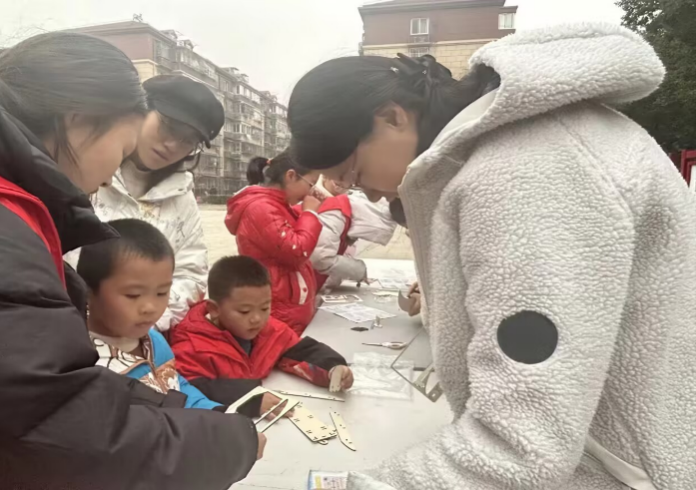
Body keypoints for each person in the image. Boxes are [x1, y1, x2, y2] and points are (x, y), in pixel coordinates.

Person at [286, 24, 696, 490]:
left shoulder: (526, 171)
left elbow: (520, 446)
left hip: (629, 471)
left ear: (392, 118)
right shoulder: (511, 151)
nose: (372, 196)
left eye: (355, 174)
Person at [0, 33, 261, 490]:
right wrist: (224, 445)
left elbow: (44, 391)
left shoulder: (5, 205)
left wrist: (150, 338)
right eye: (122, 148)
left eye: (188, 141)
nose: (111, 173)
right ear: (78, 120)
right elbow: (51, 432)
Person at [69, 74, 224, 333]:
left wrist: (146, 319)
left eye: (188, 140)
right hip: (71, 327)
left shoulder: (182, 197)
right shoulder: (89, 171)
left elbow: (191, 274)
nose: (172, 145)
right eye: (168, 126)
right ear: (141, 110)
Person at [78, 219, 221, 410]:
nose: (150, 307)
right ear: (87, 291)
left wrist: (217, 412)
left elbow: (177, 386)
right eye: (133, 295)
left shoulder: (154, 340)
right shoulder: (85, 367)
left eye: (162, 293)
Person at [171, 256, 353, 404]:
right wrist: (249, 398)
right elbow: (186, 389)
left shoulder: (270, 330)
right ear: (214, 309)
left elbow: (300, 351)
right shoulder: (191, 347)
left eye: (265, 308)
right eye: (245, 311)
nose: (257, 318)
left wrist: (333, 368)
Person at [226, 152, 323, 334]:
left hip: (285, 304)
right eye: (310, 183)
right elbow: (297, 250)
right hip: (278, 308)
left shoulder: (278, 205)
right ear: (291, 176)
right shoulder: (261, 208)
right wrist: (310, 213)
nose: (310, 191)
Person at [309, 191, 397, 291]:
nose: (354, 241)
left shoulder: (344, 214)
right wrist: (359, 270)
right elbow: (320, 258)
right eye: (358, 236)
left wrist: (336, 278)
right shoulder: (336, 214)